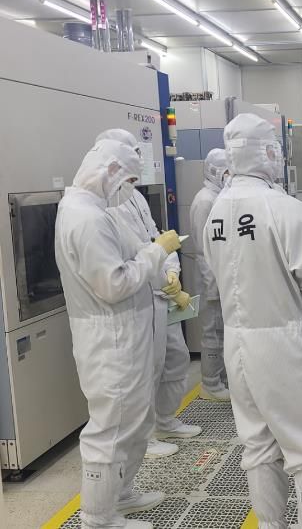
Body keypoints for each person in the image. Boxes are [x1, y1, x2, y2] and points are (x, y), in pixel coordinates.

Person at [204, 113, 302, 529]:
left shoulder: (216, 210)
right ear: (266, 152)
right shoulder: (283, 207)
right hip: (285, 344)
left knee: (259, 445)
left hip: (238, 346)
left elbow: (217, 271)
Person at [55, 139, 181, 529]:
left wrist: (155, 255)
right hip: (109, 340)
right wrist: (156, 252)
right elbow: (113, 284)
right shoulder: (86, 217)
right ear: (110, 171)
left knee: (132, 421)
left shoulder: (94, 210)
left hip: (125, 332)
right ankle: (98, 518)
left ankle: (121, 493)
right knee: (110, 430)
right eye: (127, 179)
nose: (128, 189)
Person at [98, 129, 202, 459]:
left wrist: (172, 271)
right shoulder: (106, 206)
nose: (138, 162)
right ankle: (144, 437)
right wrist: (160, 267)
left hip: (161, 296)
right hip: (137, 301)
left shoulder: (136, 197)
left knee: (175, 359)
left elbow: (157, 239)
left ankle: (165, 420)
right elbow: (126, 263)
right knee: (145, 371)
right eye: (133, 155)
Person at [191, 148, 231, 401]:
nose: (229, 176)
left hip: (220, 275)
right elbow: (202, 248)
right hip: (210, 277)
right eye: (226, 171)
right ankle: (210, 384)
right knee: (212, 333)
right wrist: (213, 286)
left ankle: (222, 378)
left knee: (222, 332)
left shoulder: (219, 196)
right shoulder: (205, 200)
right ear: (214, 171)